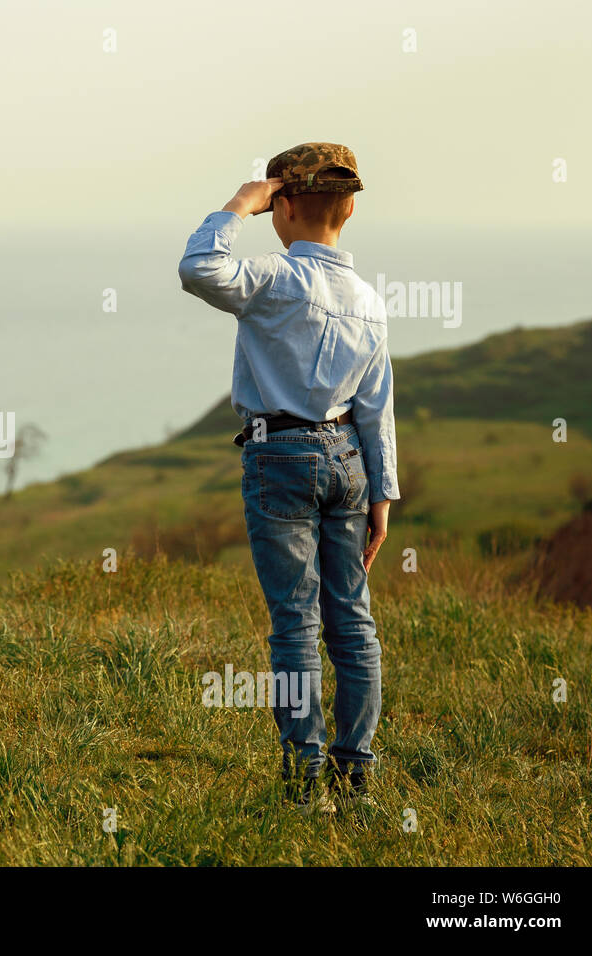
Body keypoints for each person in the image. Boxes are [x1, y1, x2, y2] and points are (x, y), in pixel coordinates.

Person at [178, 143, 400, 813]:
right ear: (350, 208)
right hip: (350, 461)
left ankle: (306, 783)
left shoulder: (274, 277)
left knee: (295, 624)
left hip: (280, 456)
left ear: (285, 205)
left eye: (272, 200)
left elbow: (198, 269)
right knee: (353, 624)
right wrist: (384, 493)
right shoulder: (368, 299)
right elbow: (377, 405)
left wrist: (234, 206)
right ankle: (355, 777)